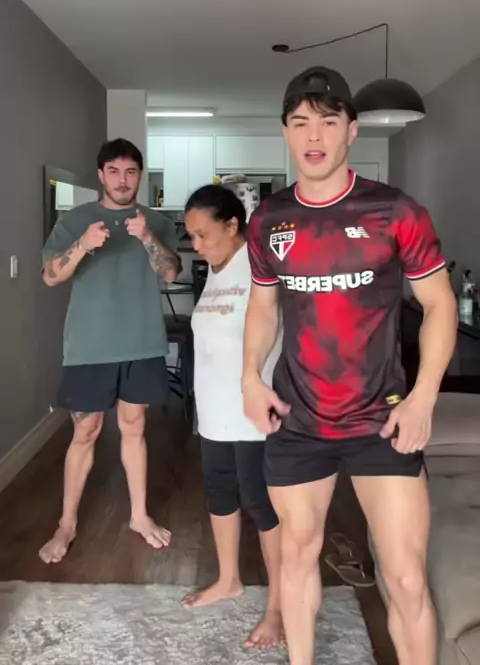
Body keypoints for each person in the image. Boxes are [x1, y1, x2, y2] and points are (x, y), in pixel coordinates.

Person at [242, 66, 458, 665]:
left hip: (381, 420)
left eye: (328, 122)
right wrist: (249, 376)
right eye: (300, 123)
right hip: (299, 419)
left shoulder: (396, 211)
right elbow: (263, 307)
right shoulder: (269, 221)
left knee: (406, 578)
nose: (314, 136)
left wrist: (424, 397)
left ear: (352, 131)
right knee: (296, 557)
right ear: (285, 132)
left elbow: (440, 305)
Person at [39, 138, 180, 564]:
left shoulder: (157, 221)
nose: (122, 181)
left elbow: (170, 274)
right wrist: (82, 245)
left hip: (141, 343)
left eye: (131, 172)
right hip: (89, 346)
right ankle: (66, 524)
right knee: (85, 433)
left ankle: (139, 515)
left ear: (140, 176)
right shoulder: (76, 220)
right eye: (114, 172)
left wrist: (148, 237)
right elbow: (50, 276)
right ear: (101, 175)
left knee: (134, 428)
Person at [182, 184, 284, 651]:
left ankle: (278, 607)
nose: (196, 245)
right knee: (220, 494)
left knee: (261, 505)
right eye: (191, 236)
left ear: (232, 226)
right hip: (214, 411)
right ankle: (229, 580)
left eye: (203, 235)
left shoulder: (260, 267)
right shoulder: (216, 270)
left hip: (252, 412)